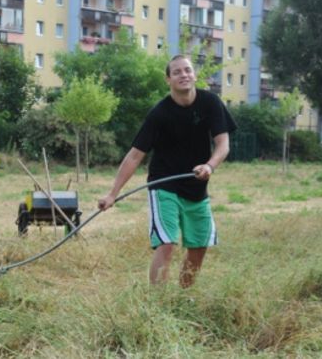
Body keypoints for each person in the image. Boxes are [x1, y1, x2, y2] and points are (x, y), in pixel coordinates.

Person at [97, 54, 236, 288]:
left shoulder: (211, 103)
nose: (184, 75)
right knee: (167, 243)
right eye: (177, 72)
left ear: (195, 74)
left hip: (197, 186)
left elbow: (223, 144)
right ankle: (158, 304)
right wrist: (112, 193)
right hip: (164, 185)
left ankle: (183, 298)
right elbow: (134, 156)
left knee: (199, 245)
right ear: (168, 80)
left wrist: (209, 166)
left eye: (187, 70)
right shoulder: (159, 114)